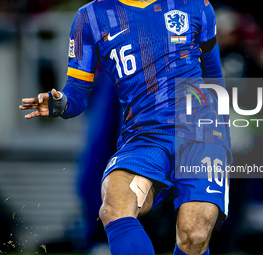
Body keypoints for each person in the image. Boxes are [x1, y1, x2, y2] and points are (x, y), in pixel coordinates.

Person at [20, 0, 232, 254]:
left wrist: (222, 138)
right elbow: (76, 93)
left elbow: (214, 77)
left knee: (193, 236)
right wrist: (58, 104)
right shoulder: (90, 18)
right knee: (113, 207)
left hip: (200, 135)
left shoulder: (196, 6)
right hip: (144, 138)